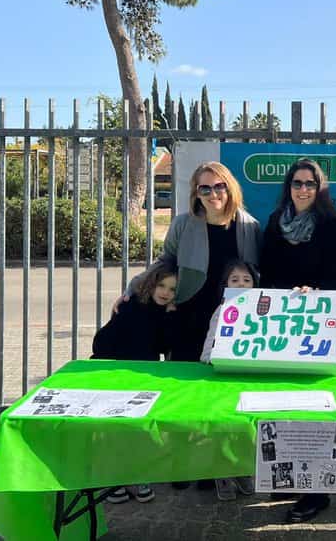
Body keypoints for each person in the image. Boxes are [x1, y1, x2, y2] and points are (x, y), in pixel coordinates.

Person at [116, 161, 260, 490]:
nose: (212, 194)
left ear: (230, 187)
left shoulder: (249, 226)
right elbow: (164, 262)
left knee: (226, 395)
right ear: (196, 192)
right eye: (204, 188)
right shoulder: (184, 225)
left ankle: (223, 463)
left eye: (218, 186)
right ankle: (185, 463)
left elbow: (257, 273)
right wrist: (131, 289)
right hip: (188, 317)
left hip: (231, 323)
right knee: (186, 395)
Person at [259, 158, 336, 524]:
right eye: (297, 183)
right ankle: (288, 476)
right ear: (288, 186)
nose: (303, 189)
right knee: (282, 401)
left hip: (318, 326)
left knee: (318, 405)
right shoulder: (274, 223)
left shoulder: (330, 224)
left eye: (310, 184)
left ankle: (317, 490)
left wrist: (315, 292)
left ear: (319, 187)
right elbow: (266, 270)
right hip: (282, 327)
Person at [92, 260, 178, 504]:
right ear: (151, 285)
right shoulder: (132, 307)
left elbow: (163, 345)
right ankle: (113, 480)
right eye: (161, 285)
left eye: (172, 289)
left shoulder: (167, 314)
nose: (165, 292)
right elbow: (103, 340)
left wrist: (170, 317)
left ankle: (140, 475)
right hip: (115, 372)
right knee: (114, 428)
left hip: (143, 376)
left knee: (140, 428)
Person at [200, 259, 259, 502]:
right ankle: (222, 472)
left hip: (251, 381)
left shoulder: (264, 310)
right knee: (224, 426)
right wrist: (213, 359)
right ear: (225, 286)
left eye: (247, 280)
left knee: (247, 427)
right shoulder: (222, 310)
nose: (241, 284)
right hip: (224, 379)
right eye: (235, 280)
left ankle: (242, 469)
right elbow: (207, 349)